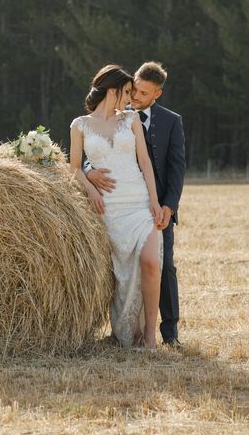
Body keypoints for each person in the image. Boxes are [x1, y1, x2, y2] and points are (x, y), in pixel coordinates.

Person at [87, 61, 186, 348]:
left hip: (155, 207)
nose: (135, 97)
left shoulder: (171, 121)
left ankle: (170, 333)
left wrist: (168, 206)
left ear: (157, 94)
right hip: (119, 201)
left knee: (163, 266)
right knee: (120, 268)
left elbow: (176, 167)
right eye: (134, 90)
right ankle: (123, 329)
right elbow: (92, 148)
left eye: (143, 93)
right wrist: (89, 170)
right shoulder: (116, 115)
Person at [69, 64, 163, 351]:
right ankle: (128, 331)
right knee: (121, 274)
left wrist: (154, 201)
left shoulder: (131, 120)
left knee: (150, 263)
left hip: (138, 202)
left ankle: (150, 337)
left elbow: (145, 162)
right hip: (107, 208)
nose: (130, 98)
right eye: (126, 92)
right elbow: (72, 168)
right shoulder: (80, 125)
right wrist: (89, 187)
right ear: (112, 91)